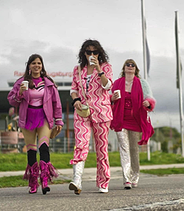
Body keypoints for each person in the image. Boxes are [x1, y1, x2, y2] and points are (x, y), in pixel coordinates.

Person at [7, 54, 63, 194]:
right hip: (27, 118)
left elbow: (57, 103)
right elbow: (12, 101)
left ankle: (44, 180)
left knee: (44, 147)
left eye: (39, 63)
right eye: (33, 63)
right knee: (31, 150)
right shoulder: (21, 82)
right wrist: (20, 93)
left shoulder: (49, 83)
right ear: (29, 66)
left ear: (42, 65)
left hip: (44, 117)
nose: (36, 65)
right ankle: (33, 181)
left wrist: (58, 120)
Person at [69, 39, 113, 194]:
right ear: (84, 53)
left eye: (95, 52)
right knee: (81, 144)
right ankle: (77, 180)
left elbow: (107, 86)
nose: (92, 54)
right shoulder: (78, 69)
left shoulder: (106, 67)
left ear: (99, 53)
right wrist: (76, 100)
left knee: (101, 149)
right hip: (83, 112)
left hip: (102, 112)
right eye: (89, 52)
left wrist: (99, 69)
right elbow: (73, 89)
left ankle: (103, 181)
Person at [110, 59, 156, 189]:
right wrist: (111, 98)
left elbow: (149, 97)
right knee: (124, 149)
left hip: (136, 120)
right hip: (121, 119)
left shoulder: (142, 83)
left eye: (132, 65)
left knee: (133, 149)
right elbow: (109, 98)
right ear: (124, 68)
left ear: (136, 69)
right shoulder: (117, 83)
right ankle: (127, 179)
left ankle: (135, 175)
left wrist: (147, 102)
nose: (130, 67)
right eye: (127, 65)